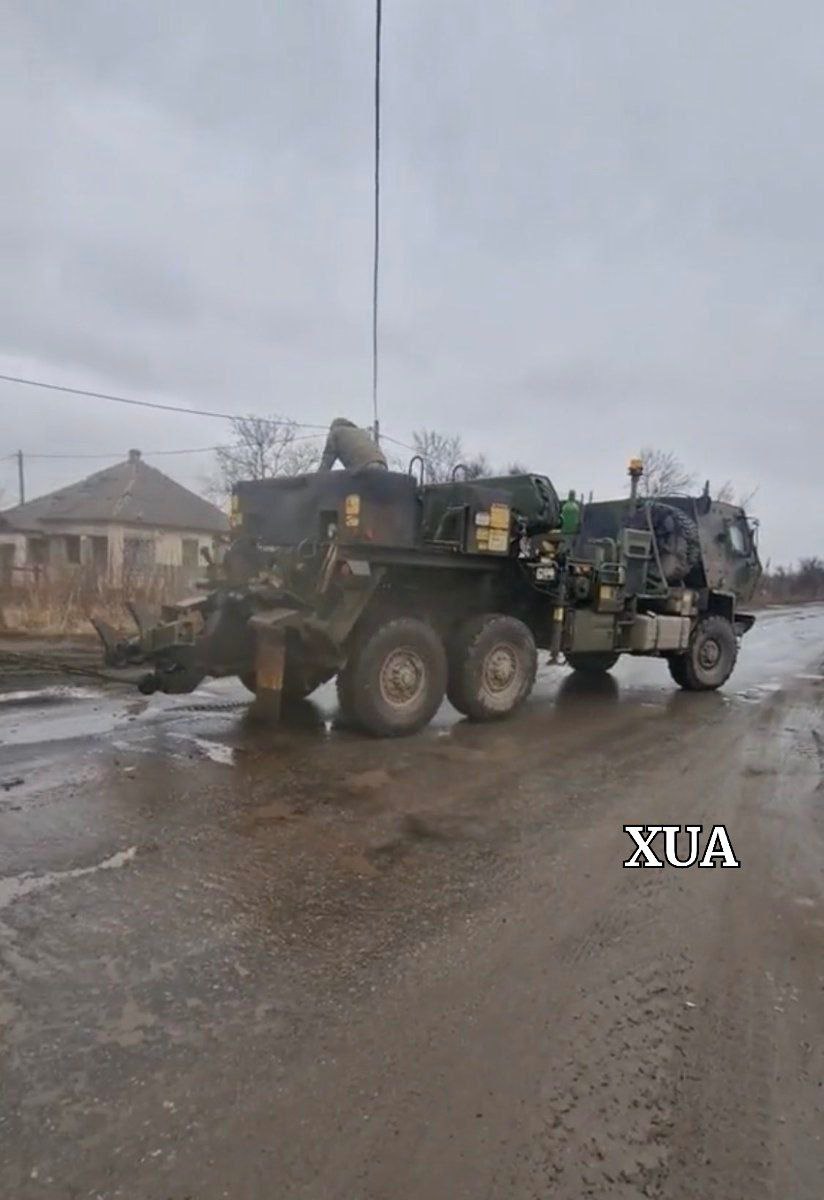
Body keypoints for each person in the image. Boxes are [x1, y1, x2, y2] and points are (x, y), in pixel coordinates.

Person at [317, 418, 388, 472]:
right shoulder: (362, 432)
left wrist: (317, 478)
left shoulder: (335, 432)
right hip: (383, 465)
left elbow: (327, 459)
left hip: (363, 466)